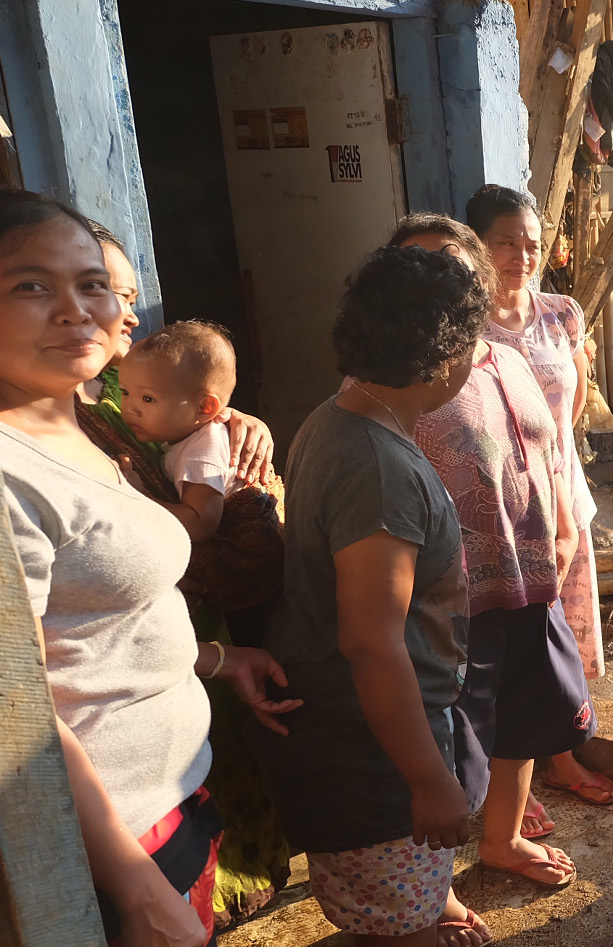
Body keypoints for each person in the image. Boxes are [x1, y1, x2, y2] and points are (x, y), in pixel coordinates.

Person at [0, 188, 297, 946]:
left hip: (173, 804)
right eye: (30, 284)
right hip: (107, 854)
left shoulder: (89, 427)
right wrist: (133, 890)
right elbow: (14, 709)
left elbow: (91, 621)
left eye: (92, 283)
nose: (76, 309)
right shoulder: (10, 469)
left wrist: (215, 658)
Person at [251, 245, 489, 946]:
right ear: (446, 354)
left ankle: (420, 910)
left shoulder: (338, 416)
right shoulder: (380, 469)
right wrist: (428, 781)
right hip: (369, 752)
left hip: (362, 730)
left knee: (399, 895)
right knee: (391, 925)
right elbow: (371, 641)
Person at [392, 215, 584, 888]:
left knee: (528, 711)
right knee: (458, 735)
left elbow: (547, 445)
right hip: (454, 591)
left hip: (529, 571)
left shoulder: (506, 352)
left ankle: (500, 840)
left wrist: (562, 522)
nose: (441, 281)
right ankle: (433, 880)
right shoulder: (399, 376)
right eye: (420, 267)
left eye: (455, 265)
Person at [464, 185, 613, 822]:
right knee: (501, 642)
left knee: (558, 639)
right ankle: (504, 780)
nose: (522, 255)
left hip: (558, 497)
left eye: (532, 243)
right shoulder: (462, 322)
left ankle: (555, 759)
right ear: (477, 245)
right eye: (506, 242)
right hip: (493, 512)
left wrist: (555, 479)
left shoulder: (562, 313)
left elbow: (571, 409)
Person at [81, 220, 277, 489]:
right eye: (123, 297)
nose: (133, 319)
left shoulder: (123, 377)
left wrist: (229, 421)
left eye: (133, 303)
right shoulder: (53, 412)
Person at [116, 321, 240, 541]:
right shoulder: (185, 435)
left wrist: (137, 494)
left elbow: (200, 525)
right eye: (125, 392)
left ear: (204, 408)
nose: (129, 408)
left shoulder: (200, 455)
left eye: (147, 398)